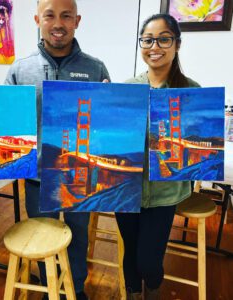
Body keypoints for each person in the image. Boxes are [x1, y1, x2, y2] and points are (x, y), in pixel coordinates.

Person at [5, 0, 110, 299]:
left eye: (66, 16)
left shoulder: (96, 68)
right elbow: (10, 128)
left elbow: (106, 126)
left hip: (80, 175)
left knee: (77, 238)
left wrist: (110, 102)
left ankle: (74, 289)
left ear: (77, 20)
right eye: (50, 15)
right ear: (37, 19)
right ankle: (46, 286)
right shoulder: (20, 69)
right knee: (42, 236)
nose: (58, 23)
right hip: (38, 177)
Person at [115, 13, 200, 300]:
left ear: (177, 44)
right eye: (148, 39)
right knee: (130, 250)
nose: (155, 46)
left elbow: (198, 147)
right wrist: (104, 102)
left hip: (165, 192)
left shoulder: (192, 92)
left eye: (164, 39)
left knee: (149, 259)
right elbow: (111, 140)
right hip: (126, 190)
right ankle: (132, 294)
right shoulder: (126, 88)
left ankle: (152, 292)